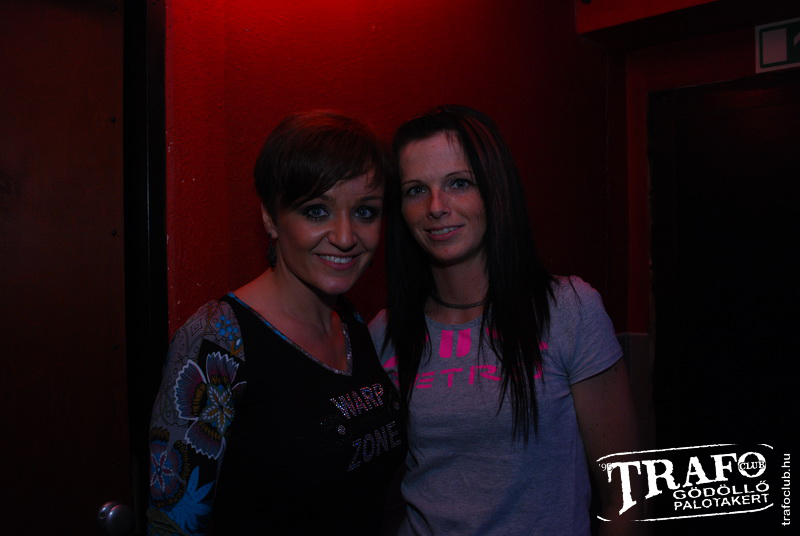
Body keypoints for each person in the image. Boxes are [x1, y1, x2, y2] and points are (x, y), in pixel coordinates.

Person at [370, 105, 640, 535]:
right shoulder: (385, 332)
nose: (436, 207)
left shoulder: (568, 309)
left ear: (495, 191)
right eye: (416, 190)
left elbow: (626, 494)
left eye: (459, 183)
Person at [147, 111, 405, 535]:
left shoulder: (353, 323)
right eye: (317, 211)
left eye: (365, 212)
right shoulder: (218, 340)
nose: (345, 236)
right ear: (270, 217)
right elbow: (171, 523)